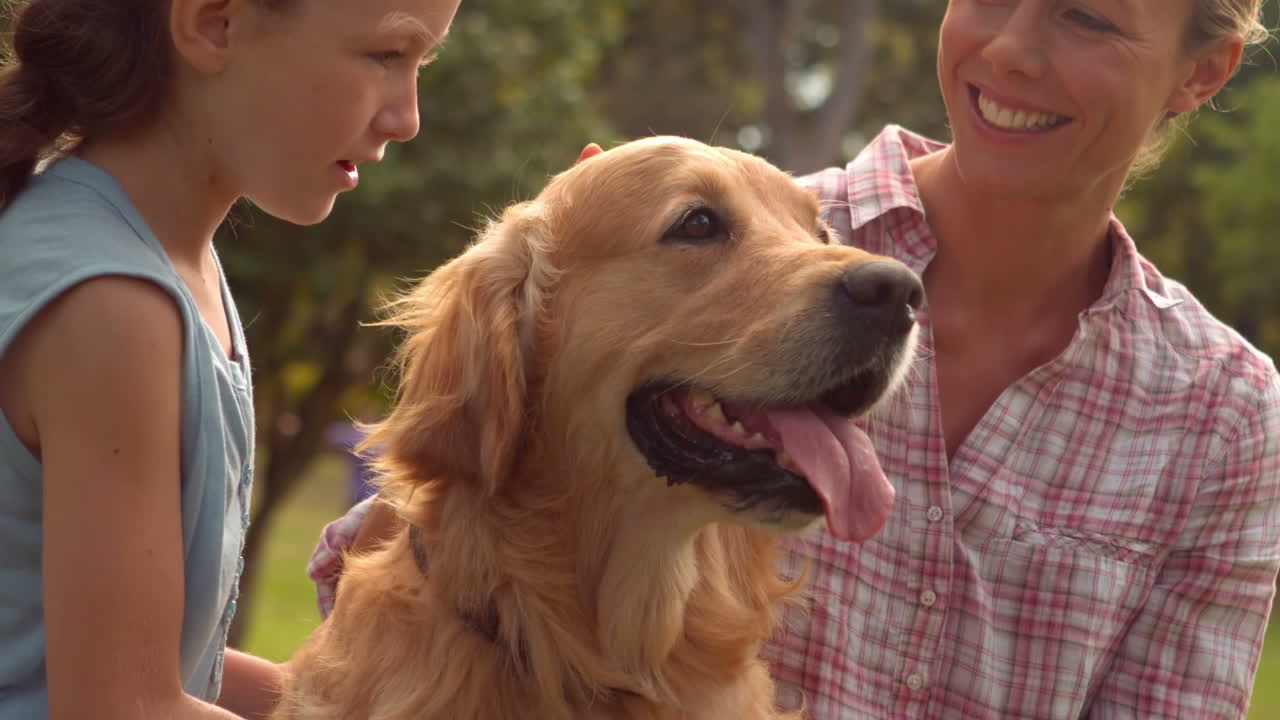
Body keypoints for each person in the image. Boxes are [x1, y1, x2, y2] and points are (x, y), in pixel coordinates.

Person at [310, 0, 1280, 717]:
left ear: (1202, 72)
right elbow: (427, 528)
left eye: (1086, 18)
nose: (1011, 48)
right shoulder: (689, 219)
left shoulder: (1226, 416)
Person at [0, 0, 460, 717]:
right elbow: (121, 709)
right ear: (215, 22)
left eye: (423, 65)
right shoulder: (113, 307)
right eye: (385, 56)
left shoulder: (167, 264)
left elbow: (175, 679)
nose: (408, 117)